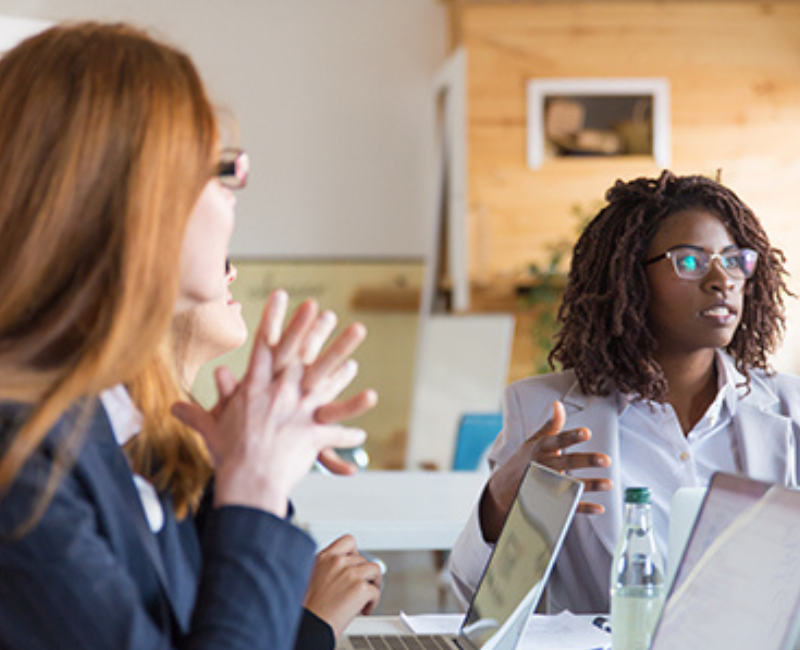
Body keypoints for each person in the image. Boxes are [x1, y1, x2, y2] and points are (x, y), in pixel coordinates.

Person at [0, 22, 375, 650]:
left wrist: (240, 475)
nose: (234, 196)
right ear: (135, 194)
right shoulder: (23, 457)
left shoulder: (94, 421)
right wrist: (253, 491)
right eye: (223, 169)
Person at [449, 170, 800, 614]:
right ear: (630, 279)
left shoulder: (791, 410)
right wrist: (500, 500)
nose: (722, 279)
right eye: (689, 261)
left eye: (733, 259)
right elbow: (482, 607)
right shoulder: (544, 411)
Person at [168, 261, 382, 648]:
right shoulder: (126, 451)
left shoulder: (181, 441)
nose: (232, 273)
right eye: (221, 260)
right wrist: (313, 622)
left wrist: (285, 591)